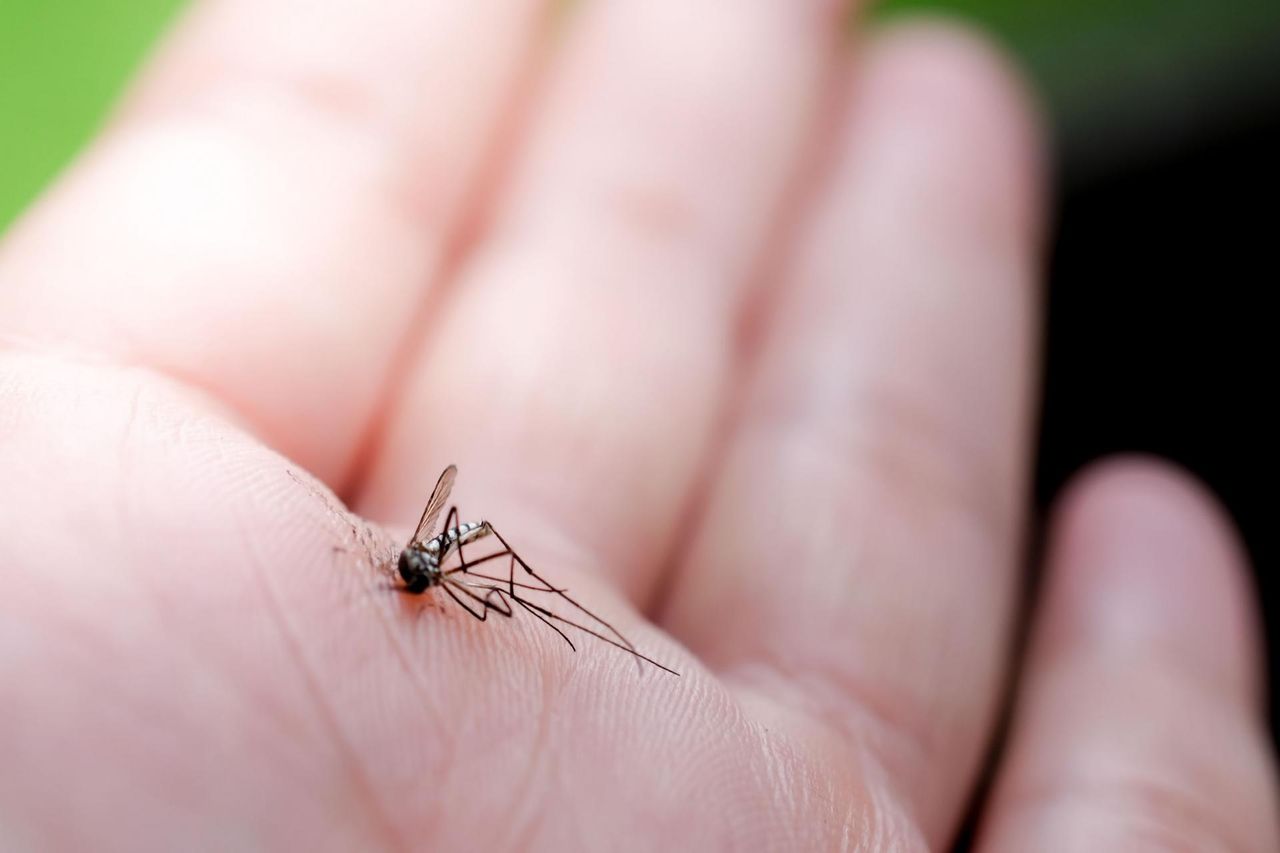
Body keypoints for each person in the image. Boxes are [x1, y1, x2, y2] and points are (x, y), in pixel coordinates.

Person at [0, 2, 1274, 849]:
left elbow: (443, 551)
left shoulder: (449, 561)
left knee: (500, 568)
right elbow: (370, 556)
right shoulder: (380, 567)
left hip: (459, 562)